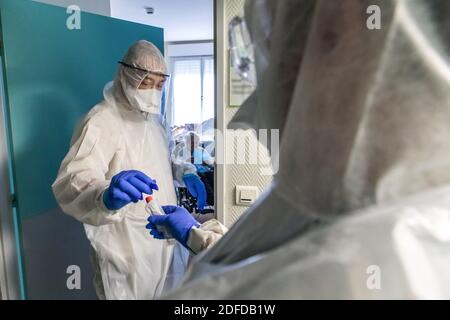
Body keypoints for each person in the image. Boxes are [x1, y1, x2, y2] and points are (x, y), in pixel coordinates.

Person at [147, 0, 450, 299]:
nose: (252, 105)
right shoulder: (320, 198)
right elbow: (261, 263)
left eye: (274, 47)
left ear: (344, 29)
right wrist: (197, 236)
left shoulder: (379, 260)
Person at [52, 40, 189, 300]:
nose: (153, 92)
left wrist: (184, 171)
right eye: (146, 83)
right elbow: (73, 180)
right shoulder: (102, 119)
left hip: (161, 238)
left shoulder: (153, 120)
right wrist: (105, 196)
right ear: (126, 75)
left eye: (159, 85)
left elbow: (161, 159)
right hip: (123, 248)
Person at [171, 132, 214, 211]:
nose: (195, 145)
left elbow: (209, 161)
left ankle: (216, 197)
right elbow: (177, 163)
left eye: (197, 142)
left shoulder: (201, 150)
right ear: (186, 142)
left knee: (213, 176)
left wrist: (205, 161)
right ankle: (211, 199)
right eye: (192, 143)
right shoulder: (182, 151)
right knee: (203, 180)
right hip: (192, 172)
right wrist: (186, 161)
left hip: (204, 169)